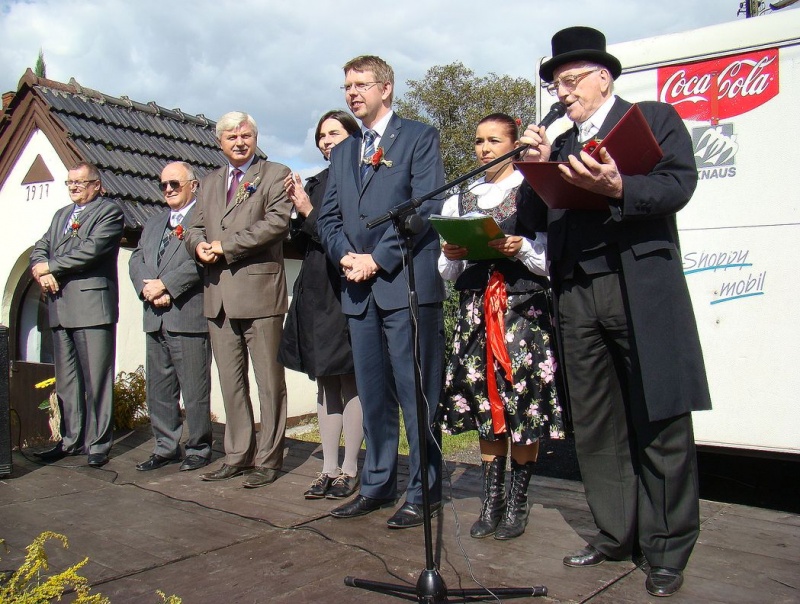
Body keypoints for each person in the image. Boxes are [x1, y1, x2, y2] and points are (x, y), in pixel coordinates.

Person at [520, 26, 712, 597]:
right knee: (596, 421)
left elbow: (679, 184)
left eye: (571, 80)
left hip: (638, 288)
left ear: (604, 77)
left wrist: (619, 185)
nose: (563, 91)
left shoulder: (652, 120)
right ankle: (613, 533)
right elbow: (533, 217)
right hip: (576, 292)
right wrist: (533, 167)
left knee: (660, 415)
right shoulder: (557, 143)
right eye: (556, 84)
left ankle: (667, 549)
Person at [317, 55, 446, 529]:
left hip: (404, 283)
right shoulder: (344, 151)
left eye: (361, 84)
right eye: (346, 85)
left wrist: (379, 257)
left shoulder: (419, 137)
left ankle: (424, 490)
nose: (352, 92)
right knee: (372, 395)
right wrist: (345, 256)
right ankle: (376, 484)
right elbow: (327, 217)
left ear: (386, 89)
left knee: (417, 393)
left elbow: (425, 205)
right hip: (358, 289)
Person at [438, 113, 564, 541]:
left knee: (523, 404)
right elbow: (449, 273)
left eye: (494, 140)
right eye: (478, 141)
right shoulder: (460, 198)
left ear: (513, 144)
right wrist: (454, 252)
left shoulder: (531, 191)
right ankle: (492, 500)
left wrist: (520, 246)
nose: (484, 148)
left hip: (521, 309)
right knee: (487, 404)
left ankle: (518, 501)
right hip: (477, 310)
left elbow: (552, 261)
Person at [184, 112, 292, 488]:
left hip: (260, 295)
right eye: (231, 136)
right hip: (218, 298)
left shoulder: (276, 173)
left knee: (268, 383)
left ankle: (269, 459)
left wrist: (224, 246)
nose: (239, 141)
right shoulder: (210, 182)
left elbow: (278, 223)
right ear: (220, 142)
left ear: (255, 137)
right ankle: (237, 455)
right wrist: (198, 245)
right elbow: (194, 225)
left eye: (245, 135)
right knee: (230, 382)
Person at [278, 110, 364, 500]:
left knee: (350, 380)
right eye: (322, 135)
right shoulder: (315, 181)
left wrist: (308, 211)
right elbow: (307, 240)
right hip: (313, 288)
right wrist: (297, 210)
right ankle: (328, 467)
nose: (327, 140)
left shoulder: (359, 178)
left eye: (335, 133)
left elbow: (343, 235)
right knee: (324, 380)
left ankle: (351, 468)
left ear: (354, 137)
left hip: (342, 287)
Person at [30, 161, 124, 468]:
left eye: (79, 183)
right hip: (60, 305)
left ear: (96, 185)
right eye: (69, 183)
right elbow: (41, 246)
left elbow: (91, 250)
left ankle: (98, 443)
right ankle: (70, 440)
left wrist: (51, 266)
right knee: (68, 380)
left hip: (92, 307)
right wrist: (40, 271)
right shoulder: (60, 215)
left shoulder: (109, 212)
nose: (73, 188)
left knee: (96, 379)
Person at [129, 161, 213, 473]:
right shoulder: (152, 223)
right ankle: (165, 447)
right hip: (154, 316)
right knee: (159, 389)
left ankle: (199, 447)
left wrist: (167, 286)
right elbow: (137, 259)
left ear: (193, 185)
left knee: (195, 389)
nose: (168, 190)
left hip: (188, 317)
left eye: (174, 184)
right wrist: (147, 288)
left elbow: (203, 261)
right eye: (163, 184)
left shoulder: (206, 219)